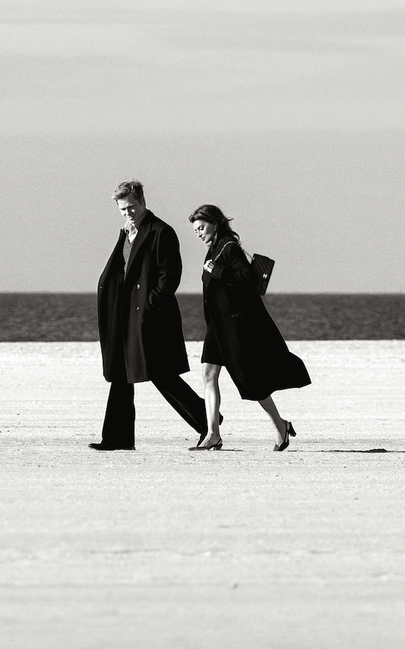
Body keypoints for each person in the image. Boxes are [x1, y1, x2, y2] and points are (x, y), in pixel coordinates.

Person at [92, 180, 210, 450]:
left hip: (149, 316)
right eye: (123, 209)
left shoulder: (161, 231)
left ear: (143, 202)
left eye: (132, 207)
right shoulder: (127, 232)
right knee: (121, 374)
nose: (128, 213)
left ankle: (207, 420)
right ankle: (116, 438)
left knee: (160, 373)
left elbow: (171, 274)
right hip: (125, 315)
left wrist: (150, 304)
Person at [187, 204, 311, 451]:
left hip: (233, 327)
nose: (198, 233)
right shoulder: (213, 249)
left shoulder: (229, 248)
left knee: (251, 383)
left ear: (216, 223)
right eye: (196, 230)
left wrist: (218, 270)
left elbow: (249, 279)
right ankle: (213, 434)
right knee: (208, 375)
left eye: (201, 227)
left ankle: (280, 425)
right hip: (216, 327)